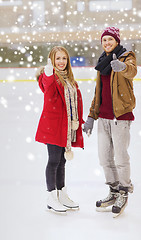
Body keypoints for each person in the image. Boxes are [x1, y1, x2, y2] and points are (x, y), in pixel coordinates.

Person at [83, 27, 137, 216]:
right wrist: (91, 116)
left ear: (116, 41)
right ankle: (113, 191)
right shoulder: (101, 63)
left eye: (110, 39)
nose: (107, 43)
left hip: (120, 117)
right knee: (104, 158)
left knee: (121, 158)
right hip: (103, 118)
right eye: (104, 40)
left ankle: (124, 192)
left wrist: (123, 68)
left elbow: (132, 70)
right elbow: (99, 93)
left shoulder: (126, 57)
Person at [35, 46, 84, 213]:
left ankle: (61, 194)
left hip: (66, 126)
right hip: (53, 126)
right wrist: (48, 74)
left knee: (62, 162)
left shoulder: (70, 80)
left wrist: (79, 122)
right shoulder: (49, 77)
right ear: (52, 60)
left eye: (64, 58)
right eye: (58, 58)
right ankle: (51, 197)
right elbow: (46, 86)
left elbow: (74, 103)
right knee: (54, 160)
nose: (61, 62)